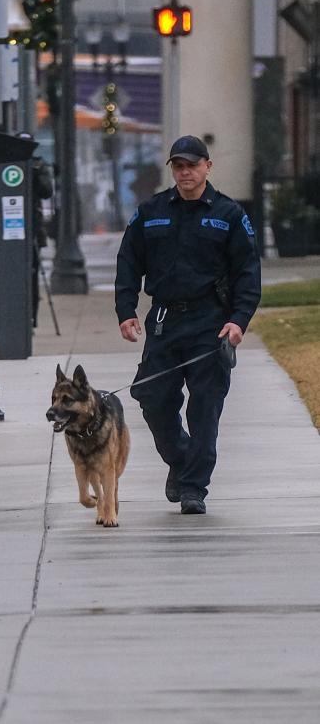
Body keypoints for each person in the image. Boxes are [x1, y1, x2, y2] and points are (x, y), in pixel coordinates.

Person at [114, 135, 261, 514]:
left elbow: (247, 274)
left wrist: (238, 321)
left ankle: (194, 487)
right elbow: (129, 261)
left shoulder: (229, 215)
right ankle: (181, 460)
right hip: (164, 320)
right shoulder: (152, 211)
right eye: (178, 166)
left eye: (192, 165)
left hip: (210, 323)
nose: (185, 172)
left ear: (207, 167)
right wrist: (126, 310)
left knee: (204, 409)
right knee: (151, 398)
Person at [18, 133, 54, 327]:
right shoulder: (8, 165)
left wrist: (36, 174)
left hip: (32, 225)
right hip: (14, 226)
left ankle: (32, 316)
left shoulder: (38, 165)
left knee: (32, 272)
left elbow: (47, 191)